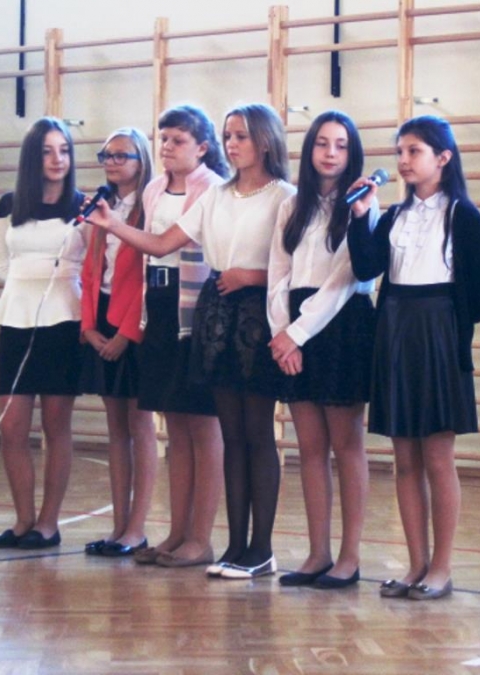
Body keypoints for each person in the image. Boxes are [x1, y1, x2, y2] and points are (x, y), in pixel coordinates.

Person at [86, 103, 295, 579]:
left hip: (245, 313)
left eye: (241, 135)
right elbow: (162, 245)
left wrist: (250, 277)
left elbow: (291, 267)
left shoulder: (283, 196)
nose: (232, 144)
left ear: (265, 141)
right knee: (203, 429)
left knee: (244, 432)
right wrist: (112, 224)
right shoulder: (215, 195)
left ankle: (242, 544)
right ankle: (211, 540)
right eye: (229, 135)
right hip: (199, 312)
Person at [347, 115, 480, 599]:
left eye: (414, 151)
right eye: (400, 151)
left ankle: (442, 567)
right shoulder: (393, 216)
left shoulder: (463, 216)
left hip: (437, 335)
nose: (403, 160)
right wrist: (360, 217)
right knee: (404, 457)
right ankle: (416, 563)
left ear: (443, 158)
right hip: (394, 330)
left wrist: (449, 325)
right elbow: (366, 267)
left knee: (437, 456)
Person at [267, 110, 377, 589]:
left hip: (342, 325)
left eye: (341, 145)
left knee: (346, 445)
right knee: (310, 447)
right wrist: (282, 333)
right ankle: (317, 553)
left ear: (352, 154)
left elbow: (345, 279)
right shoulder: (292, 205)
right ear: (309, 149)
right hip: (294, 328)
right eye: (322, 143)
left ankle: (349, 558)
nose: (331, 153)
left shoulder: (362, 204)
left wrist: (298, 333)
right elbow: (278, 274)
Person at [130, 106, 229, 568]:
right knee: (174, 424)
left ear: (202, 147)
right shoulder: (153, 188)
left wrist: (112, 225)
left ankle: (201, 537)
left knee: (202, 425)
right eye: (164, 139)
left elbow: (170, 243)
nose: (167, 147)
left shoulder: (212, 188)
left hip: (196, 309)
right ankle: (177, 531)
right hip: (159, 305)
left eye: (178, 140)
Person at [0, 117, 87, 550]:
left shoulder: (84, 206)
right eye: (47, 151)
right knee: (12, 426)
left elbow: (90, 265)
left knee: (55, 425)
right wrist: (26, 288)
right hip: (16, 319)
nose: (57, 159)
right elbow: (1, 263)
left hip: (63, 321)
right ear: (33, 157)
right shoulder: (9, 204)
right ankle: (23, 520)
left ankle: (49, 523)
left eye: (64, 150)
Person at [80, 127, 159, 557]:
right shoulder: (100, 206)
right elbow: (90, 270)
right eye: (106, 155)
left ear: (141, 160)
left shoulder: (150, 208)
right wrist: (88, 327)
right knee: (115, 429)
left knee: (140, 426)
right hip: (103, 319)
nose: (111, 162)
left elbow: (146, 277)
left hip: (137, 324)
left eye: (121, 155)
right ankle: (117, 527)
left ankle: (137, 529)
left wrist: (128, 333)